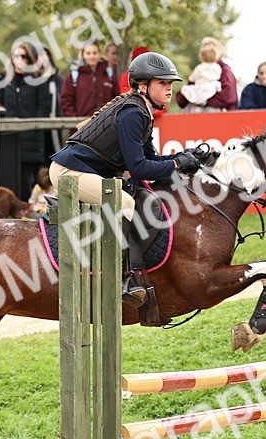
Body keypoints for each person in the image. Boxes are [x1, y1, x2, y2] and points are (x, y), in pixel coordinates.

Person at [49, 52, 213, 306]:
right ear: (143, 86)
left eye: (171, 84)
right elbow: (138, 169)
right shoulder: (133, 114)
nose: (169, 89)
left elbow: (151, 160)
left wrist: (181, 158)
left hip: (83, 169)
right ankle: (124, 280)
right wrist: (177, 164)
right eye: (163, 83)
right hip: (69, 172)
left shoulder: (142, 112)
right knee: (125, 203)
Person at [0, 43, 54, 198]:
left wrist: (33, 125)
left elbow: (44, 106)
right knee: (11, 176)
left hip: (32, 138)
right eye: (17, 56)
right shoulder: (3, 79)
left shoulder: (37, 80)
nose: (20, 60)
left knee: (31, 179)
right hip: (8, 138)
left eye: (24, 56)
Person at [59, 41, 117, 118]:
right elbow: (66, 99)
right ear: (83, 55)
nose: (92, 56)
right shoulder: (74, 75)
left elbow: (116, 98)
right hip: (80, 125)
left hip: (105, 124)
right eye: (88, 53)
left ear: (99, 54)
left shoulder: (108, 74)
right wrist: (74, 119)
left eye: (95, 53)